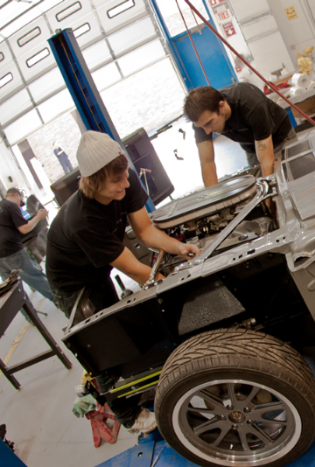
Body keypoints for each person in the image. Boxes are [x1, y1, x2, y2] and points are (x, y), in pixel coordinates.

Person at [46, 131, 201, 434]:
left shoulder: (123, 179)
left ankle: (140, 378)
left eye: (124, 176)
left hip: (99, 269)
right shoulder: (82, 219)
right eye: (116, 181)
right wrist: (171, 283)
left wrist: (177, 248)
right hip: (74, 284)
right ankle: (129, 415)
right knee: (101, 348)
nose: (126, 184)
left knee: (120, 329)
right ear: (92, 181)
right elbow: (132, 268)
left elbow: (144, 231)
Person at [183, 84, 295, 187]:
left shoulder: (250, 103)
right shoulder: (202, 120)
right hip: (251, 146)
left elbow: (266, 160)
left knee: (287, 183)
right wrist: (215, 202)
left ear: (221, 106)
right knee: (257, 186)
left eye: (209, 123)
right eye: (202, 127)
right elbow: (207, 162)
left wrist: (268, 199)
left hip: (280, 136)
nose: (207, 132)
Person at [0, 188, 53, 304]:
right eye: (20, 201)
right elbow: (24, 228)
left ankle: (31, 318)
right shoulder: (10, 204)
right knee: (35, 278)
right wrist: (39, 216)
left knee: (13, 292)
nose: (20, 205)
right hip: (12, 251)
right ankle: (61, 301)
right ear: (16, 196)